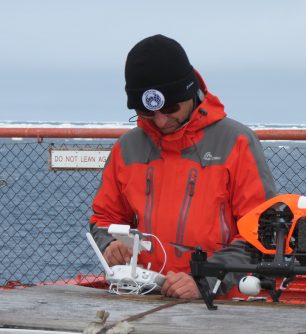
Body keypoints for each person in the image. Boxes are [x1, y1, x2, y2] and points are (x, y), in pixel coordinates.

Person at [89, 34, 277, 299]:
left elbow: (262, 232)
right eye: (147, 113)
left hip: (225, 305)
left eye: (171, 108)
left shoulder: (237, 142)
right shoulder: (126, 148)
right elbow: (103, 219)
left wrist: (205, 280)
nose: (162, 121)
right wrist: (111, 244)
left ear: (191, 92)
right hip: (144, 297)